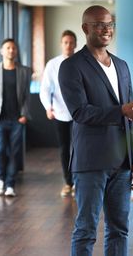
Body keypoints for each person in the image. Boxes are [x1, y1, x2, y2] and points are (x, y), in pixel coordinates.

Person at [58, 5, 133, 256]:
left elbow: (131, 114)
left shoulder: (122, 65)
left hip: (122, 162)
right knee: (86, 229)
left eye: (109, 24)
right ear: (85, 28)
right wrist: (121, 111)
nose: (106, 29)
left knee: (119, 229)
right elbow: (80, 112)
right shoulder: (71, 66)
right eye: (99, 24)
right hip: (90, 163)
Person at [0, 38, 31, 197]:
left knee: (15, 152)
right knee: (0, 151)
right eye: (8, 48)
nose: (11, 50)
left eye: (13, 48)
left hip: (17, 119)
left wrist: (24, 114)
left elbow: (26, 96)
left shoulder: (24, 71)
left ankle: (11, 184)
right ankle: (1, 179)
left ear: (16, 51)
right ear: (1, 51)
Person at [40, 29, 77, 197]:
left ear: (75, 44)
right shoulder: (53, 64)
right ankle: (68, 182)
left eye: (71, 42)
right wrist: (48, 107)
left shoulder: (82, 62)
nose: (68, 45)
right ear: (61, 44)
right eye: (65, 42)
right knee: (64, 149)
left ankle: (78, 181)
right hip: (60, 112)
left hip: (79, 114)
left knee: (78, 148)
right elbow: (45, 88)